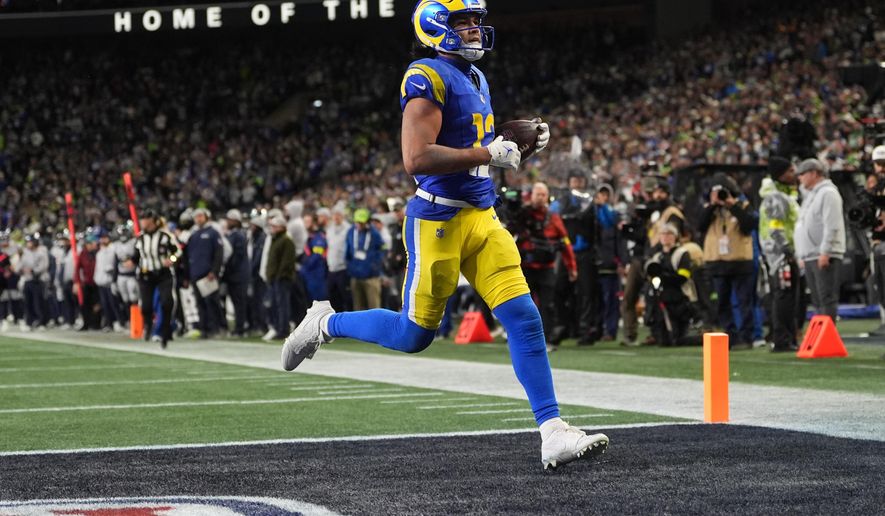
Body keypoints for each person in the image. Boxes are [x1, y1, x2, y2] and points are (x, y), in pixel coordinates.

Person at [281, 0, 607, 470]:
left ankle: (552, 430)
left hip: (481, 214)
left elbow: (479, 147)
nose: (475, 28)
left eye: (477, 20)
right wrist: (488, 152)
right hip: (437, 221)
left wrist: (516, 146)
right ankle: (325, 323)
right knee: (414, 335)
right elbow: (417, 158)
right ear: (437, 26)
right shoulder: (425, 76)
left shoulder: (476, 77)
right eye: (464, 21)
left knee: (523, 317)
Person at [511, 182, 577, 352]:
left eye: (543, 195)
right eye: (537, 194)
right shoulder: (522, 215)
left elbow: (565, 243)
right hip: (525, 267)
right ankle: (519, 339)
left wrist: (571, 267)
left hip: (546, 268)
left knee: (548, 305)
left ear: (547, 197)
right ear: (531, 195)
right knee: (523, 305)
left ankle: (545, 340)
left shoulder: (553, 217)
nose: (540, 198)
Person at [699, 174, 758, 350]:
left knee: (744, 302)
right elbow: (699, 226)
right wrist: (712, 205)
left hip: (740, 261)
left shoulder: (743, 205)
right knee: (722, 303)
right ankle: (731, 336)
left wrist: (732, 205)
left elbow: (749, 225)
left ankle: (746, 337)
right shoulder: (710, 210)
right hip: (717, 262)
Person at [794, 158, 845, 322]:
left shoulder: (828, 193)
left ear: (814, 173)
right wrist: (802, 254)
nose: (799, 178)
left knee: (826, 298)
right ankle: (821, 338)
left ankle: (828, 338)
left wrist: (825, 252)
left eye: (802, 174)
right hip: (810, 254)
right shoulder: (812, 194)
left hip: (822, 254)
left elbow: (832, 224)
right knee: (817, 301)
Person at [759, 157, 802, 352]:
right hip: (780, 256)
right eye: (791, 171)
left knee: (788, 298)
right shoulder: (776, 198)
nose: (794, 175)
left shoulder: (784, 195)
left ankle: (788, 337)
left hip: (781, 253)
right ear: (781, 174)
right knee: (784, 297)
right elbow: (775, 229)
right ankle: (782, 338)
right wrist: (788, 250)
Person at [133, 209, 182, 348]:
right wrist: (129, 262)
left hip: (163, 273)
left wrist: (171, 259)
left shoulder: (165, 236)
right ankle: (148, 324)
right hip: (146, 274)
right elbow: (136, 256)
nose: (142, 222)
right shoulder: (140, 237)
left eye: (145, 219)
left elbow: (177, 251)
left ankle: (165, 331)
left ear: (152, 221)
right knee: (146, 305)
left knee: (167, 302)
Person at [186, 208, 224, 338]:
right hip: (195, 274)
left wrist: (214, 271)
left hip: (208, 274)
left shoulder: (213, 233)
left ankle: (216, 328)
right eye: (196, 217)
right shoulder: (193, 234)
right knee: (200, 303)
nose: (198, 219)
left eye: (200, 216)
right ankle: (204, 329)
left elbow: (219, 254)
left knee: (212, 302)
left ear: (206, 217)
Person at [345, 208, 385, 311]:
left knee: (374, 307)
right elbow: (348, 251)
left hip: (371, 277)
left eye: (361, 223)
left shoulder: (374, 234)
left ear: (367, 222)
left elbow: (383, 250)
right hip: (355, 276)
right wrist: (350, 267)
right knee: (357, 307)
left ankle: (376, 327)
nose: (359, 225)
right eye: (357, 222)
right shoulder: (351, 232)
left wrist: (374, 267)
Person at [265, 214, 297, 341]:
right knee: (277, 305)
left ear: (281, 227)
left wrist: (279, 276)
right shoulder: (277, 240)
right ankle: (279, 327)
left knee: (282, 305)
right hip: (275, 278)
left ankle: (283, 330)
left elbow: (287, 262)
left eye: (274, 226)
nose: (272, 228)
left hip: (282, 279)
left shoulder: (286, 240)